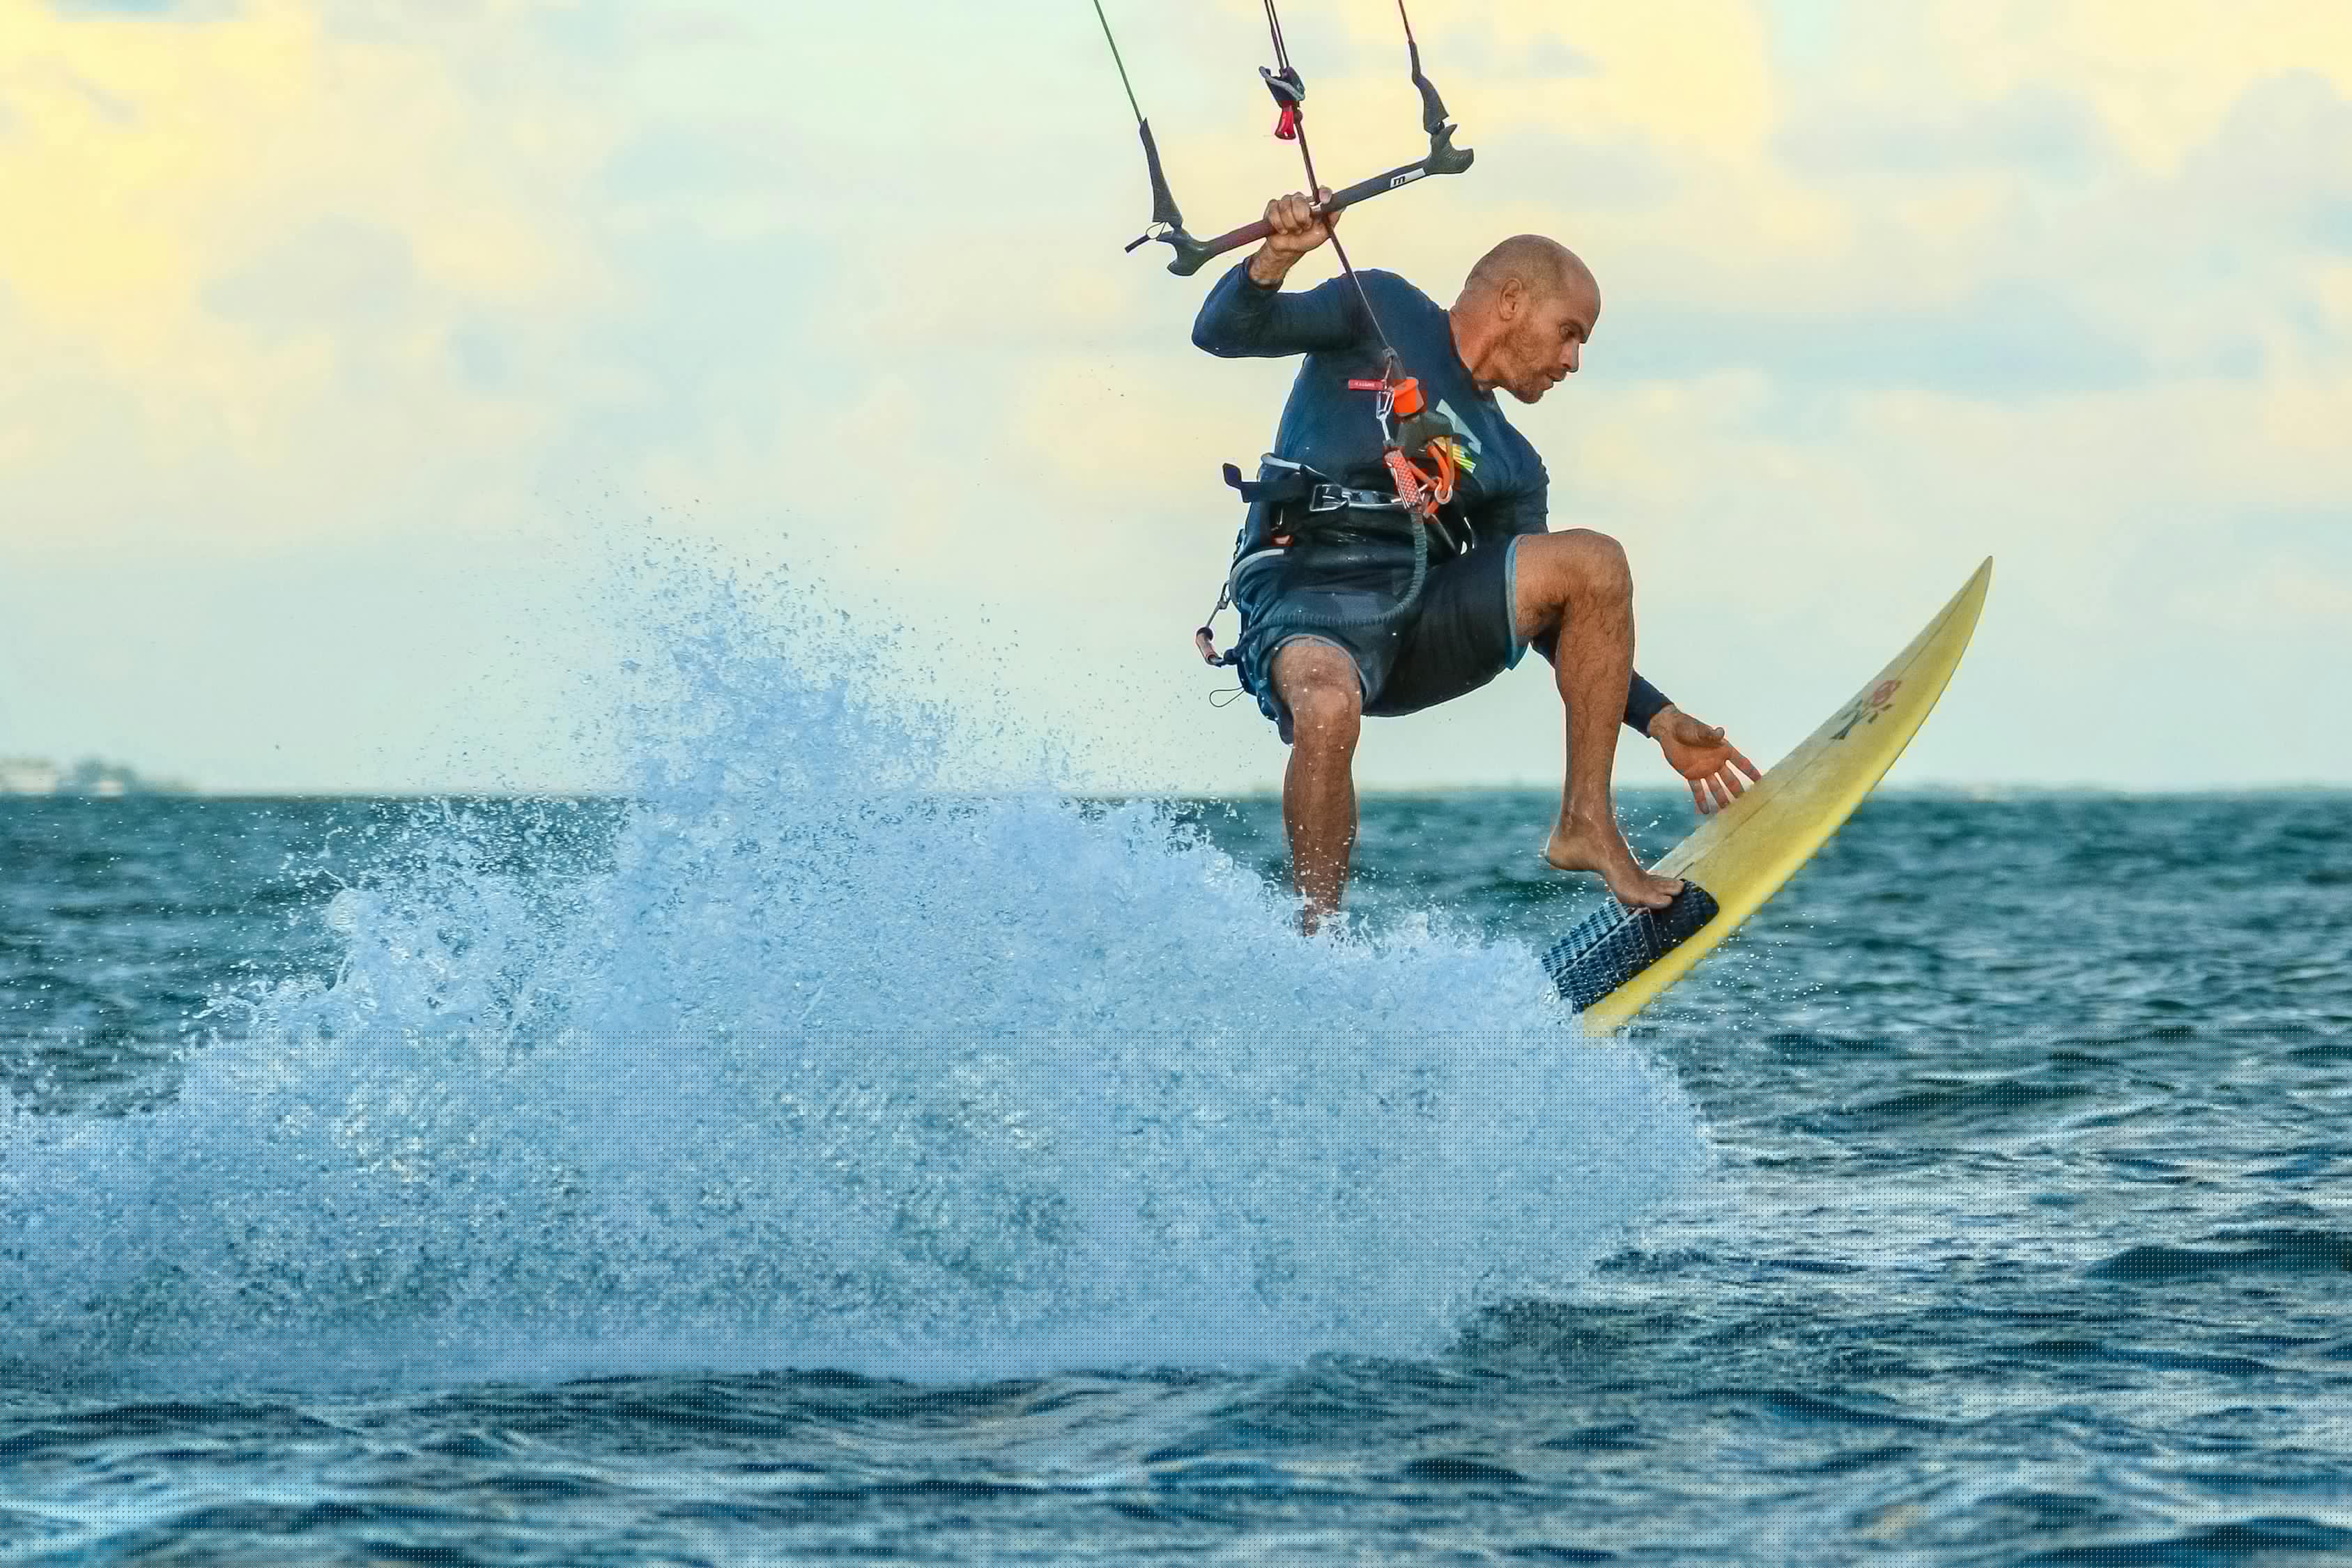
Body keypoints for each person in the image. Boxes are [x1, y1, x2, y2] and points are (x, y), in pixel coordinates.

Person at [1192, 189, 1760, 931]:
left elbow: (1561, 622)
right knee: (1327, 707)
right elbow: (1221, 331)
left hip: (1415, 617)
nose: (1573, 361)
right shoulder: (1383, 308)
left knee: (1593, 564)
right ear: (1513, 300)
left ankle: (1585, 821)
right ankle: (1317, 940)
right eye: (1569, 333)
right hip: (1305, 588)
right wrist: (1277, 256)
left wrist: (1657, 718)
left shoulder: (1514, 464)